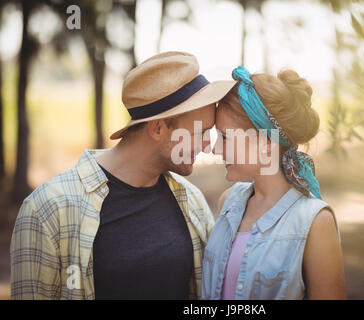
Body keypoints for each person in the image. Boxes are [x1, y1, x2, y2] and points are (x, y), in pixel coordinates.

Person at [10, 51, 235, 299]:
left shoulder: (191, 201)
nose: (207, 146)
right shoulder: (48, 210)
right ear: (158, 127)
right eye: (200, 132)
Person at [201, 66, 346, 300]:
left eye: (226, 137)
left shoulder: (316, 222)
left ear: (267, 142)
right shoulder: (228, 202)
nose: (216, 149)